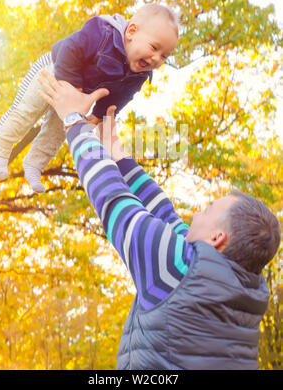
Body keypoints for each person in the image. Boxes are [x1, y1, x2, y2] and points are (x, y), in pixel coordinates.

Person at [38, 70, 281, 370]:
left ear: (218, 238)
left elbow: (114, 201)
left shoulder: (180, 270)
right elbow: (165, 216)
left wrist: (74, 122)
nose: (197, 213)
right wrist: (118, 155)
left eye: (208, 210)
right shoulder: (238, 289)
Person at [0, 3, 178, 193]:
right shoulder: (103, 33)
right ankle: (0, 148)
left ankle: (34, 164)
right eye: (154, 48)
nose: (156, 59)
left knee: (58, 131)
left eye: (164, 56)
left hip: (76, 98)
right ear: (132, 31)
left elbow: (118, 97)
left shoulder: (139, 76)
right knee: (26, 111)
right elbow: (71, 48)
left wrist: (98, 114)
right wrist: (70, 84)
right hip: (54, 69)